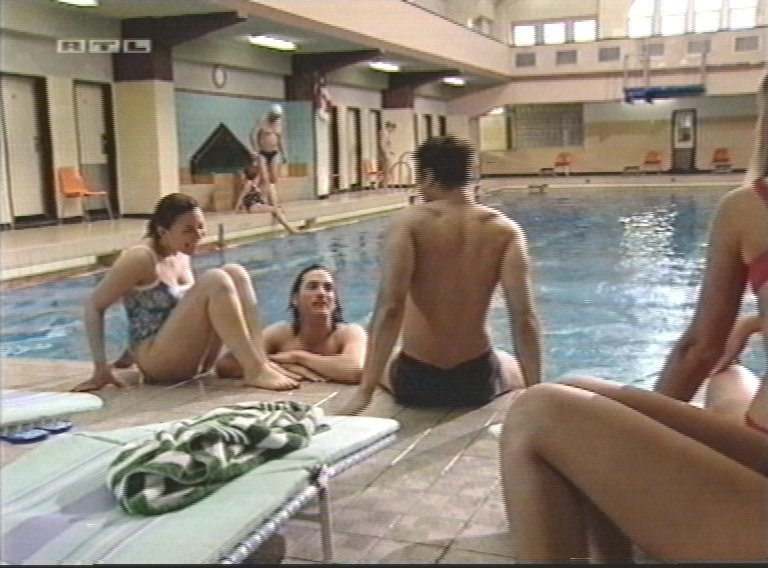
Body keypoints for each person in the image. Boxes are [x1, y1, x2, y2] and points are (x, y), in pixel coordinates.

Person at [498, 72, 768, 562]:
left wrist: (637, 431)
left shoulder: (751, 206)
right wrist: (753, 322)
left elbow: (699, 349)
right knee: (580, 389)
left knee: (538, 413)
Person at [340, 135, 542, 414]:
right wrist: (535, 393)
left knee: (364, 354)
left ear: (428, 176)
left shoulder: (408, 223)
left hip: (415, 380)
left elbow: (390, 308)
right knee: (507, 362)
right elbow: (524, 319)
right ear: (470, 175)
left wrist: (365, 392)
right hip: (477, 380)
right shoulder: (506, 230)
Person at [72, 192, 299, 393]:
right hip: (157, 362)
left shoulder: (181, 250)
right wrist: (101, 368)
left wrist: (125, 357)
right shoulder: (140, 258)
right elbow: (94, 306)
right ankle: (254, 370)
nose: (198, 235)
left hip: (190, 358)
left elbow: (173, 313)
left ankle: (260, 362)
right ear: (163, 231)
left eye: (200, 226)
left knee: (235, 272)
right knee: (215, 279)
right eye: (188, 230)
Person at [214, 264, 367, 383]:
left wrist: (297, 357)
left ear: (336, 301)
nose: (321, 293)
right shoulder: (281, 334)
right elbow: (226, 365)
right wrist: (278, 365)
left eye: (328, 288)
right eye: (312, 287)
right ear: (295, 299)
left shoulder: (350, 332)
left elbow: (354, 370)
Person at [234, 165, 303, 235]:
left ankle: (290, 229)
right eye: (258, 175)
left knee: (276, 207)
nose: (260, 177)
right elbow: (241, 197)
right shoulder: (248, 184)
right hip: (253, 206)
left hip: (258, 204)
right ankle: (291, 230)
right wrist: (236, 210)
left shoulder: (253, 184)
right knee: (277, 209)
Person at [250, 104, 287, 207]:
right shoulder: (262, 120)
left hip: (274, 153)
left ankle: (272, 201)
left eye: (277, 117)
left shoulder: (279, 123)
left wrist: (284, 154)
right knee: (264, 178)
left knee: (274, 179)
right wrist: (255, 150)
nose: (275, 119)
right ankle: (260, 199)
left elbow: (281, 139)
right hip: (262, 153)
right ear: (270, 114)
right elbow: (252, 135)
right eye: (274, 117)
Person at [376, 121, 396, 189]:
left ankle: (383, 184)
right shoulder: (384, 133)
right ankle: (384, 184)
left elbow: (386, 145)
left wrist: (390, 152)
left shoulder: (387, 133)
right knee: (386, 169)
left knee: (386, 170)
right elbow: (382, 144)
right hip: (384, 155)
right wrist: (386, 154)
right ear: (390, 127)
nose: (393, 131)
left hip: (385, 154)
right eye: (392, 129)